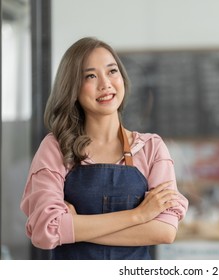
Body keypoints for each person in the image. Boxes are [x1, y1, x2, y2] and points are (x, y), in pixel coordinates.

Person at [20, 37, 189, 260]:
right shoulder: (56, 147)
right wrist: (139, 215)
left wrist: (75, 228)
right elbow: (47, 229)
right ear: (73, 87)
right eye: (91, 76)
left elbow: (165, 230)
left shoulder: (151, 148)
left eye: (112, 71)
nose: (105, 84)